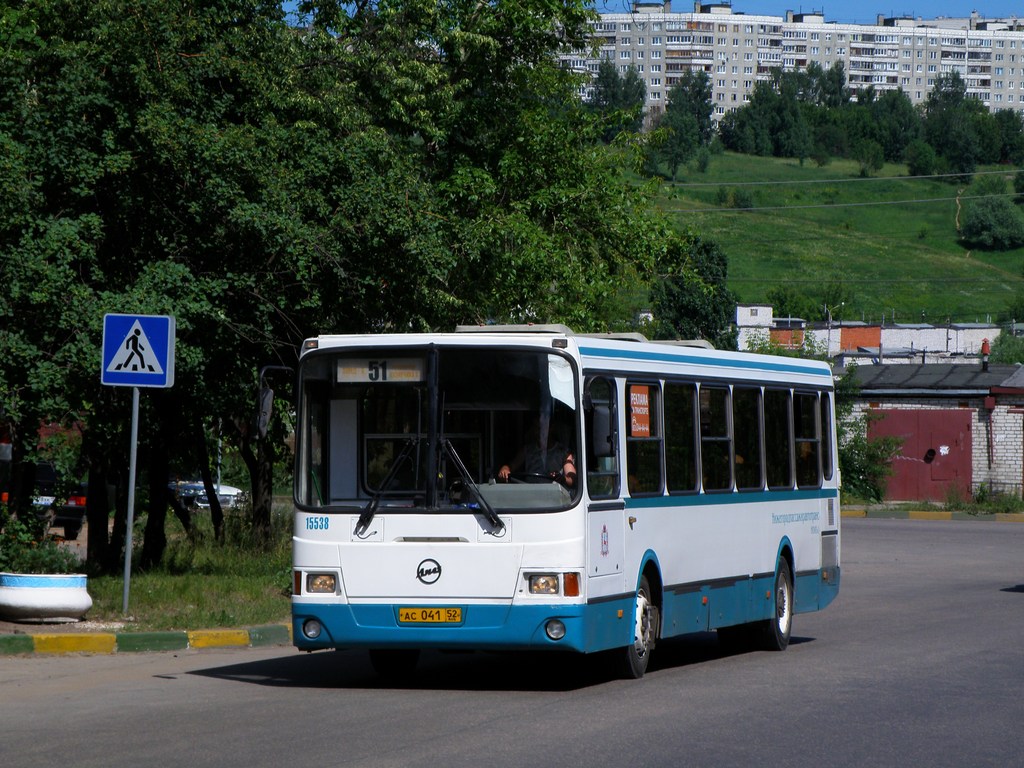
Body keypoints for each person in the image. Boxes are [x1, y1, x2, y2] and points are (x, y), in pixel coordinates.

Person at [498, 417, 576, 488]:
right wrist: (504, 469)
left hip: (555, 498)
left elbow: (571, 480)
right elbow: (511, 466)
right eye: (537, 428)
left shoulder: (563, 452)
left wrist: (562, 478)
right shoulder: (528, 450)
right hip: (530, 496)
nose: (539, 432)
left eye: (542, 428)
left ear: (551, 428)